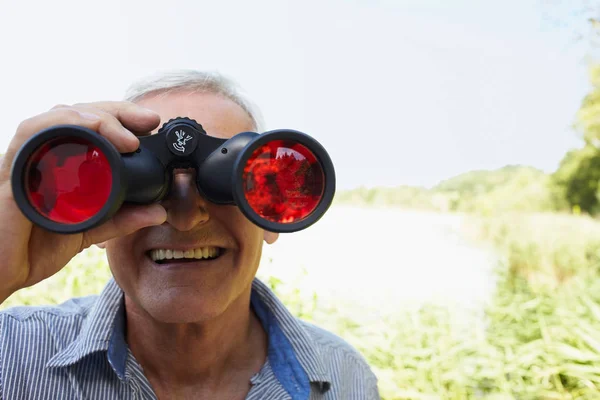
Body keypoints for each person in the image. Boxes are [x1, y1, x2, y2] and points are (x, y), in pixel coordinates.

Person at [0, 70, 380, 399]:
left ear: (270, 218)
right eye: (138, 187)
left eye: (243, 181)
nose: (184, 218)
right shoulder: (10, 353)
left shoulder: (346, 380)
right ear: (98, 226)